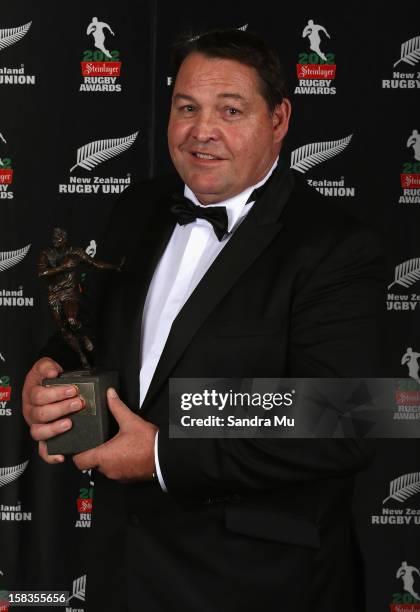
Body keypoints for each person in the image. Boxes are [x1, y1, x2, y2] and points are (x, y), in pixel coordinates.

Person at [23, 29, 384, 612]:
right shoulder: (138, 209)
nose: (201, 131)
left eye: (230, 110)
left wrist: (166, 453)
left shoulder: (335, 246)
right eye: (186, 108)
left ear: (279, 120)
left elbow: (352, 413)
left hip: (259, 585)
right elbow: (91, 332)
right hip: (123, 572)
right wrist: (51, 371)